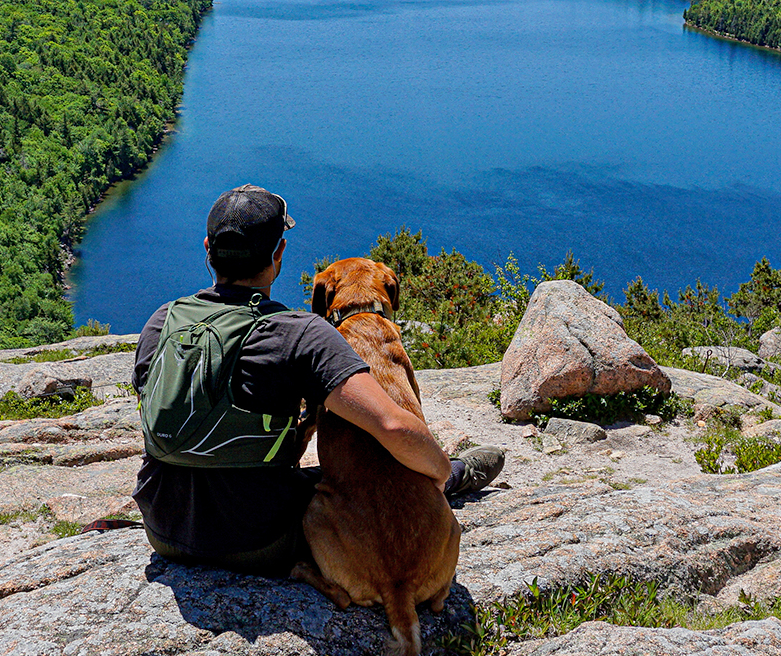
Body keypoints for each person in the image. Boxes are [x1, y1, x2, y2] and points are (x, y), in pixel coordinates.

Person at [131, 184, 505, 577]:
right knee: (378, 480)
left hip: (163, 530)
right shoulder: (298, 333)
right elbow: (392, 425)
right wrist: (440, 472)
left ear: (208, 247)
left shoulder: (162, 322)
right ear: (278, 255)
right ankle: (458, 476)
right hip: (256, 541)